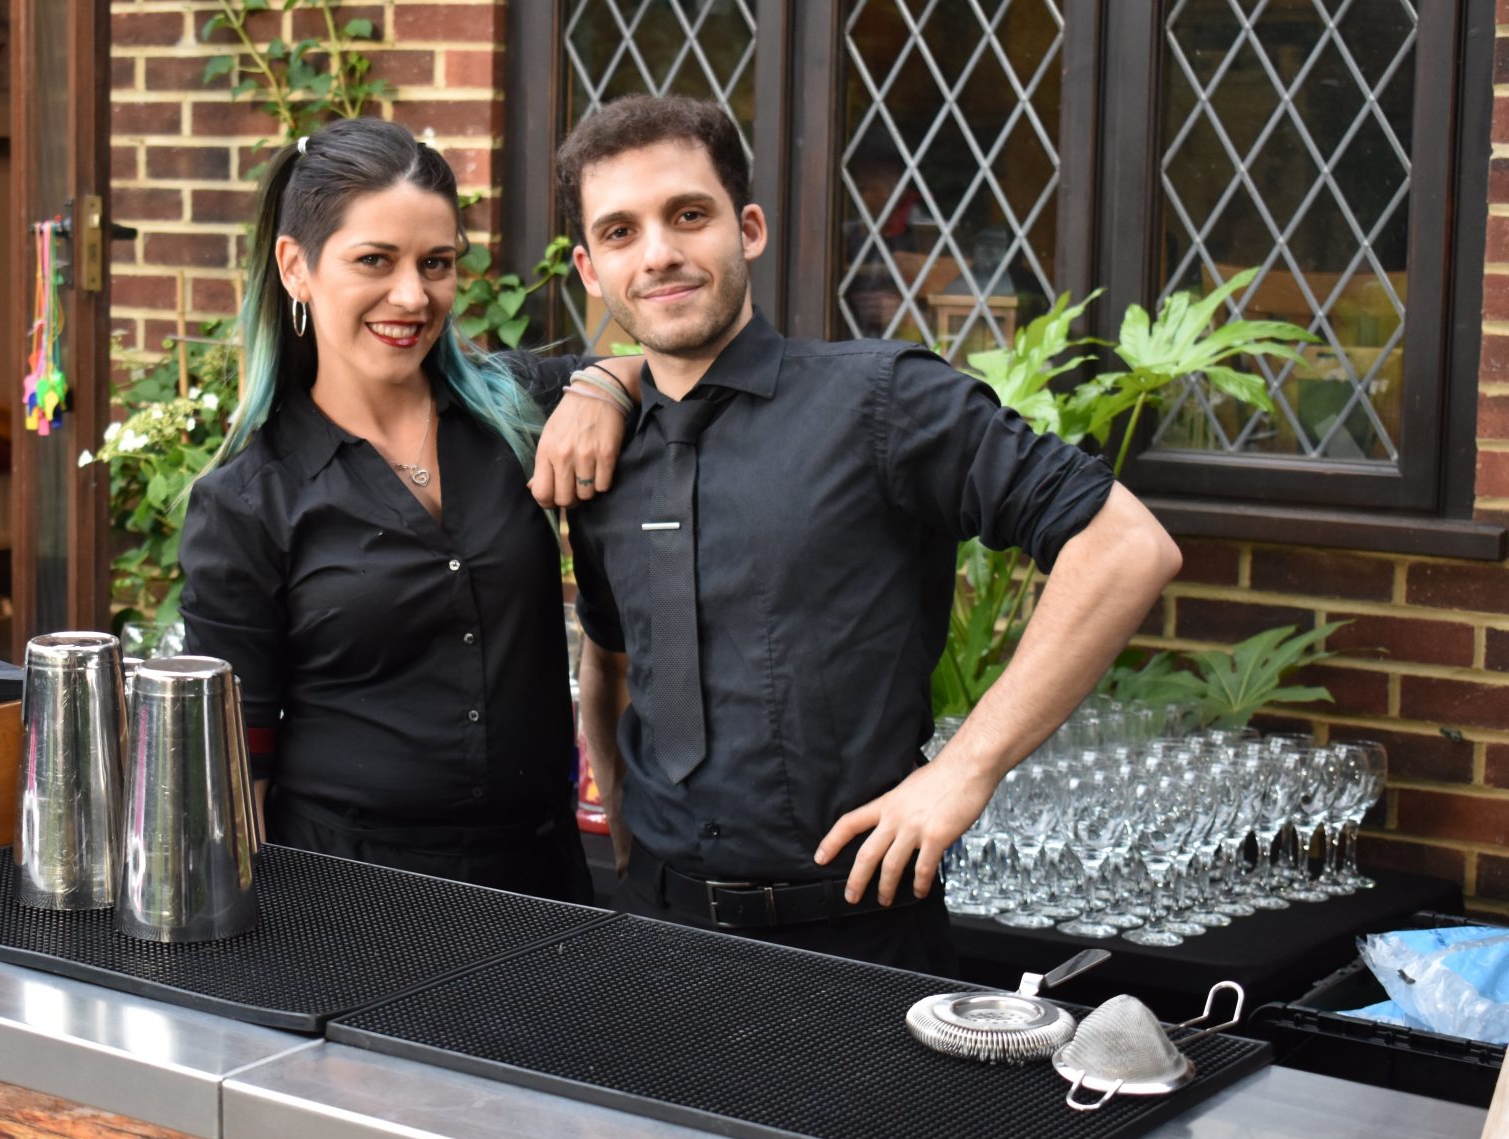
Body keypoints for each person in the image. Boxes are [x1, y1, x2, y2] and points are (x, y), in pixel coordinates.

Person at [561, 95, 1181, 975]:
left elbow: (1125, 546)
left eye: (688, 215)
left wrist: (966, 768)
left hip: (858, 938)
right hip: (652, 930)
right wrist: (623, 819)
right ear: (591, 269)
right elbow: (613, 656)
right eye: (621, 232)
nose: (658, 252)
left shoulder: (885, 400)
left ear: (748, 229)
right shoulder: (597, 447)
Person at [177, 118, 639, 903]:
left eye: (436, 263)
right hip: (347, 896)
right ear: (295, 266)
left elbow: (666, 368)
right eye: (375, 260)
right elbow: (233, 778)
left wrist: (604, 383)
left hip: (539, 880)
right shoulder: (246, 503)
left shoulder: (517, 411)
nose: (413, 296)